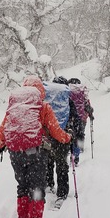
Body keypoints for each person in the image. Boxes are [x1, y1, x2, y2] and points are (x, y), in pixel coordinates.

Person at [0, 76, 71, 218]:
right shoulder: (43, 107)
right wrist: (68, 137)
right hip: (36, 153)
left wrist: (2, 145)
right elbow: (57, 132)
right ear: (40, 91)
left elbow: (1, 134)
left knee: (22, 187)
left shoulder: (14, 108)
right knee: (37, 188)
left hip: (15, 153)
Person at [43, 76, 83, 209]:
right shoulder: (67, 100)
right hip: (62, 137)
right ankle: (62, 192)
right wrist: (74, 134)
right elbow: (75, 119)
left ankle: (49, 184)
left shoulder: (46, 99)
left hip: (48, 136)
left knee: (48, 161)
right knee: (61, 165)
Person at [67, 77, 94, 165]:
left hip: (70, 117)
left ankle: (70, 151)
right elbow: (87, 104)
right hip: (82, 117)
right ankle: (79, 150)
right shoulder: (82, 91)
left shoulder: (68, 90)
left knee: (70, 134)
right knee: (80, 134)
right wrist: (90, 114)